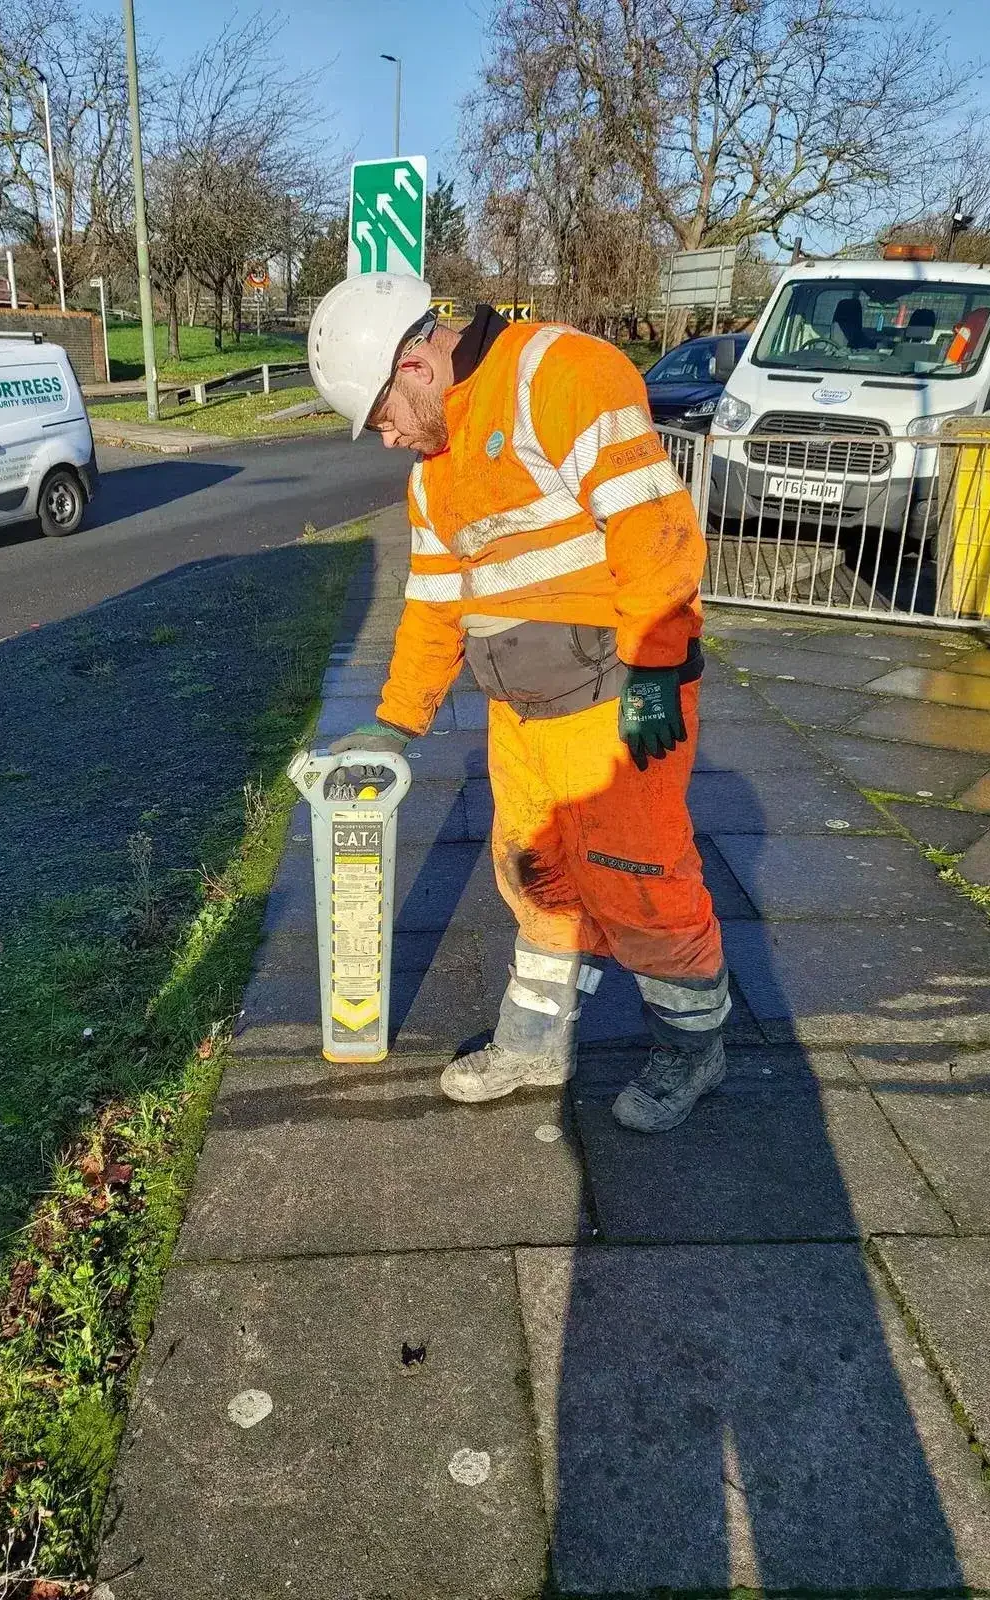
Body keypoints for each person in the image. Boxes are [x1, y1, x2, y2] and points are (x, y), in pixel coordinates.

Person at [307, 273, 729, 1133]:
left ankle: (694, 1050)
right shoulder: (435, 475)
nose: (387, 439)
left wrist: (655, 675)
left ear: (416, 365)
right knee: (534, 876)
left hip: (614, 705)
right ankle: (534, 1043)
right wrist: (396, 722)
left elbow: (656, 537)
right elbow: (433, 606)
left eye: (383, 416)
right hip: (523, 713)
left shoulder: (561, 376)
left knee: (643, 882)